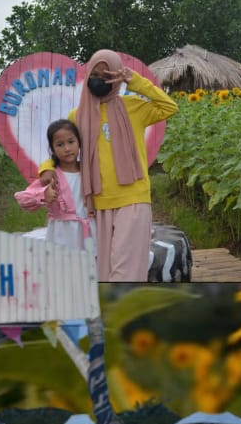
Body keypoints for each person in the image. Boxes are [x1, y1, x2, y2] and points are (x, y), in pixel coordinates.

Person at [38, 49, 177, 281]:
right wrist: (46, 167)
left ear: (116, 76)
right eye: (95, 74)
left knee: (125, 270)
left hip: (133, 198)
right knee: (104, 270)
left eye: (107, 75)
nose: (100, 80)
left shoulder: (134, 106)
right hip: (98, 203)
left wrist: (137, 82)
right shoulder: (78, 116)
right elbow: (63, 148)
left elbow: (170, 107)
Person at [15, 119, 94, 253]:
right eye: (60, 144)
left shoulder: (88, 171)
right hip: (62, 235)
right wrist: (43, 194)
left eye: (71, 142)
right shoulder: (51, 177)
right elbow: (22, 199)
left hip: (90, 233)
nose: (67, 149)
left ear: (79, 143)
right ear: (52, 149)